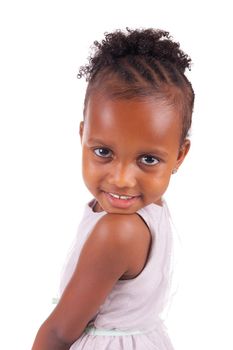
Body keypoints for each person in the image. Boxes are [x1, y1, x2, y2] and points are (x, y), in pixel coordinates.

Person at [32, 27, 194, 350]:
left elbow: (60, 332)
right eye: (103, 152)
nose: (121, 178)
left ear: (179, 155)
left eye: (147, 159)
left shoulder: (118, 231)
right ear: (83, 136)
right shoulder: (148, 210)